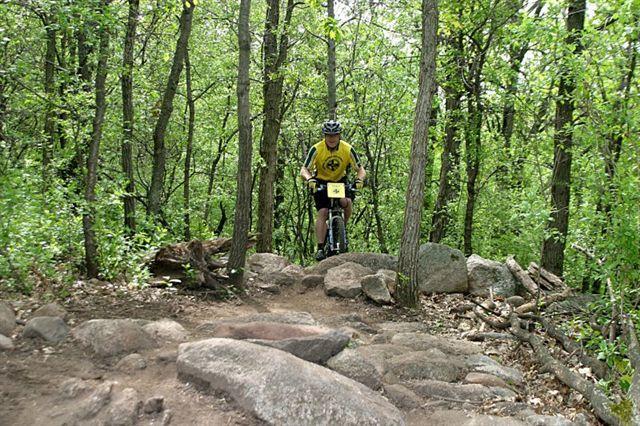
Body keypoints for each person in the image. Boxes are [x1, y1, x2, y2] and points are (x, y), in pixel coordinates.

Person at [300, 120, 366, 261]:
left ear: (339, 135)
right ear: (324, 136)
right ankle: (320, 248)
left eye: (334, 135)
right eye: (328, 135)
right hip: (321, 182)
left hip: (339, 182)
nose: (331, 139)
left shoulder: (347, 149)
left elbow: (360, 169)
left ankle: (341, 228)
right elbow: (304, 169)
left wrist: (359, 180)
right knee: (323, 211)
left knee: (346, 202)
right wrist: (310, 179)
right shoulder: (317, 149)